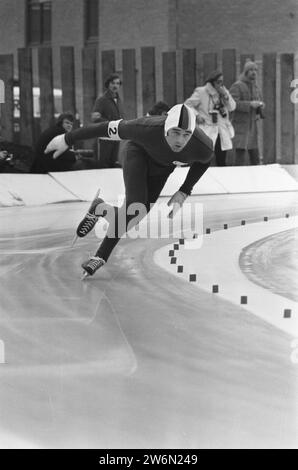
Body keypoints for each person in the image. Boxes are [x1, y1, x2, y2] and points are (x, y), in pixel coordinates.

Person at [45, 104, 214, 277]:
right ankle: (101, 256)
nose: (180, 140)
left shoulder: (202, 146)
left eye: (186, 135)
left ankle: (100, 209)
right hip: (138, 154)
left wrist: (185, 190)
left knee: (136, 215)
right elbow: (103, 127)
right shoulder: (145, 128)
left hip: (162, 169)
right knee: (135, 205)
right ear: (166, 128)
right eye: (175, 132)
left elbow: (205, 161)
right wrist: (67, 139)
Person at [185, 70, 236, 166]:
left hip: (221, 129)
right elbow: (187, 105)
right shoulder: (201, 92)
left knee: (221, 159)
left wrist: (225, 96)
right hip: (207, 129)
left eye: (222, 82)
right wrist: (197, 115)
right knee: (204, 159)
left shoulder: (224, 92)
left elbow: (232, 107)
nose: (220, 84)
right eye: (218, 82)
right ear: (212, 82)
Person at [229, 60, 265, 166]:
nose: (254, 72)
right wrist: (249, 104)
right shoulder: (237, 86)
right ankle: (239, 177)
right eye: (251, 70)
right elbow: (232, 104)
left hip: (252, 125)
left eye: (255, 70)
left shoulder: (256, 87)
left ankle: (257, 178)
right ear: (245, 72)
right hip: (241, 125)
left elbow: (258, 101)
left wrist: (260, 105)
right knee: (240, 153)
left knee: (255, 154)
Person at [91, 73, 125, 168]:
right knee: (103, 165)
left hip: (116, 136)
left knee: (113, 163)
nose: (115, 86)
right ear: (108, 84)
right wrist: (110, 123)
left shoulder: (119, 101)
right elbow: (95, 118)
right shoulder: (102, 100)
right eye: (113, 83)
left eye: (118, 83)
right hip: (104, 138)